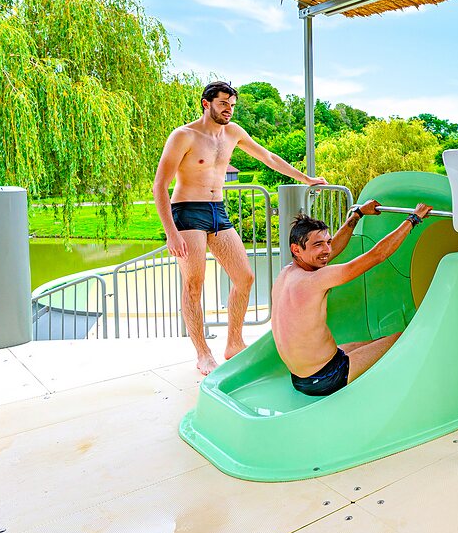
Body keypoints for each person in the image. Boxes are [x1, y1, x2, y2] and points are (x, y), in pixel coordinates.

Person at [154, 81, 327, 375]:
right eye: (223, 104)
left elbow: (268, 158)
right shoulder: (183, 136)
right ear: (206, 103)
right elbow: (160, 186)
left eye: (232, 105)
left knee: (244, 278)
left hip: (217, 211)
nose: (229, 111)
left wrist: (306, 179)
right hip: (187, 211)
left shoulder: (232, 133)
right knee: (193, 283)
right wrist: (171, 232)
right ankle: (202, 353)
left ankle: (234, 342)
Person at [273, 202, 434, 397]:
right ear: (296, 249)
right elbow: (377, 255)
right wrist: (414, 218)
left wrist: (357, 214)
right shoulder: (315, 280)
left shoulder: (287, 274)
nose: (326, 250)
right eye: (318, 244)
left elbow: (331, 250)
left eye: (328, 242)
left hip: (300, 377)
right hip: (325, 378)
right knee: (399, 339)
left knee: (379, 342)